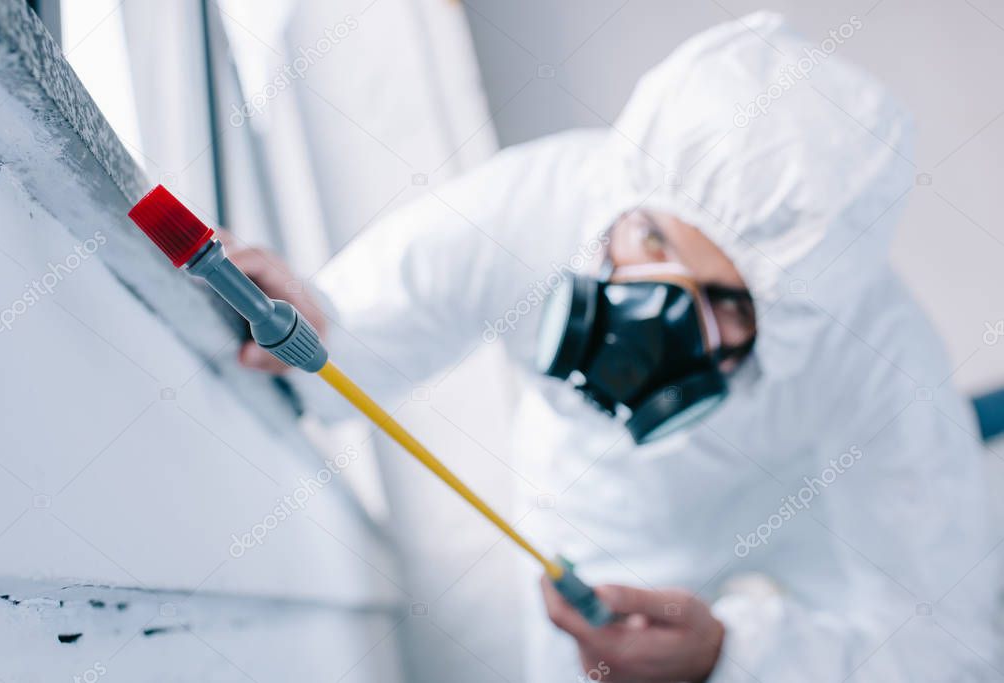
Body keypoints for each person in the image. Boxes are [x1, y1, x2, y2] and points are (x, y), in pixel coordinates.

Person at [225, 12, 998, 683]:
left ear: (794, 320)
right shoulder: (544, 199)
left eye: (724, 302)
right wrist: (303, 325)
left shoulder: (880, 365)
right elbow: (356, 336)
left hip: (814, 506)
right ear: (624, 191)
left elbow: (941, 650)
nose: (653, 314)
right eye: (653, 238)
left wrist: (728, 658)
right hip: (600, 514)